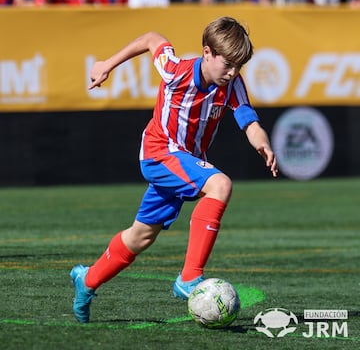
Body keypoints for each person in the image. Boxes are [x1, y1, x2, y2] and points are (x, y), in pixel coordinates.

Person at [70, 16, 278, 323]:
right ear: (207, 52)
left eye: (239, 66)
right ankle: (189, 277)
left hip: (181, 163)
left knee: (141, 236)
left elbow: (249, 120)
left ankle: (86, 282)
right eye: (228, 64)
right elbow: (152, 38)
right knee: (220, 185)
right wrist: (107, 64)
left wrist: (262, 143)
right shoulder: (176, 70)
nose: (233, 72)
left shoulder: (232, 83)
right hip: (159, 153)